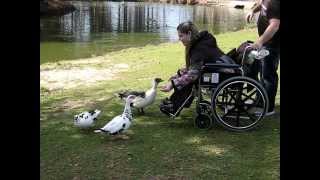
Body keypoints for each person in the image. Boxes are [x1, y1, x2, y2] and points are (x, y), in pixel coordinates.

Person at [159, 21, 224, 116]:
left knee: (190, 80)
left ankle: (173, 106)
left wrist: (173, 84)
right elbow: (194, 66)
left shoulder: (198, 47)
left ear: (189, 33)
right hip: (215, 70)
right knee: (186, 77)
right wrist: (177, 76)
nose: (179, 39)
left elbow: (192, 74)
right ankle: (173, 104)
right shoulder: (202, 42)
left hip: (217, 73)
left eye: (181, 36)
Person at [246, 0, 280, 116]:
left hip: (272, 44)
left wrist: (259, 42)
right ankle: (261, 102)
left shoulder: (275, 2)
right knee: (262, 72)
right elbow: (261, 5)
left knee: (268, 75)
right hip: (266, 43)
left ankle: (268, 108)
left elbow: (275, 25)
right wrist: (252, 11)